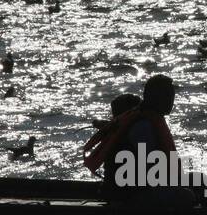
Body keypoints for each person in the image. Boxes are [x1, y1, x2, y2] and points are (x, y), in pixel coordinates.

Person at [83, 75, 195, 206]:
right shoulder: (142, 127)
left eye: (172, 95)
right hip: (130, 194)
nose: (171, 100)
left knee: (195, 182)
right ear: (153, 97)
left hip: (139, 187)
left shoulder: (145, 118)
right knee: (187, 196)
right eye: (167, 96)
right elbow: (152, 169)